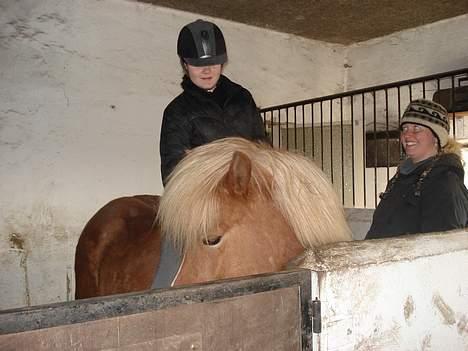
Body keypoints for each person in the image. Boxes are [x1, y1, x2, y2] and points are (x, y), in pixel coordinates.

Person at [159, 19, 268, 186]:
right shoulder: (176, 112)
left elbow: (263, 147)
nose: (207, 70)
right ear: (185, 65)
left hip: (250, 187)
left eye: (213, 62)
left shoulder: (243, 99)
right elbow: (172, 174)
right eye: (198, 64)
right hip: (204, 193)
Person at [366, 98, 468, 239]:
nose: (407, 135)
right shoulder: (399, 178)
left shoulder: (445, 182)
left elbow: (443, 246)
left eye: (417, 128)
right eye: (405, 128)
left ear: (436, 137)